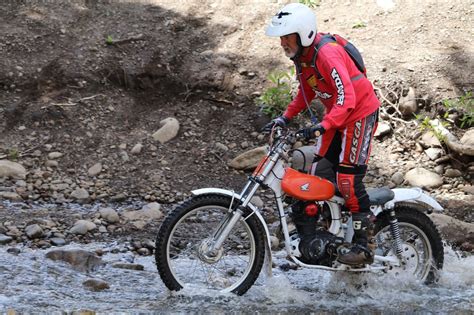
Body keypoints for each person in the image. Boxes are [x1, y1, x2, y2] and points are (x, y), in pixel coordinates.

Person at [263, 3, 381, 266]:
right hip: (337, 119)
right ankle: (324, 244)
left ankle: (363, 244)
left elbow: (347, 98)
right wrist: (284, 117)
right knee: (317, 180)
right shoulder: (303, 59)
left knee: (348, 180)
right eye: (281, 37)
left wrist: (324, 126)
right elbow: (306, 93)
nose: (282, 42)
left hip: (359, 113)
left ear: (303, 33)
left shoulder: (327, 54)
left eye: (287, 36)